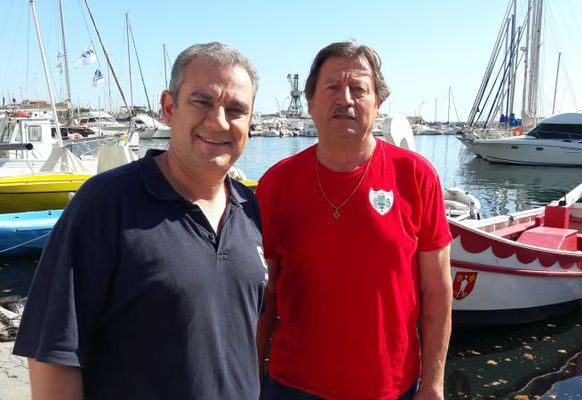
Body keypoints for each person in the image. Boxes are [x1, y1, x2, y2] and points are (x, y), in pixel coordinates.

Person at [13, 42, 266, 399]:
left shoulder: (250, 210)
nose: (219, 121)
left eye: (236, 109)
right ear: (168, 107)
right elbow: (53, 354)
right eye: (202, 102)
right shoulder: (105, 205)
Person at [256, 41, 453, 400]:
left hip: (392, 389)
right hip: (292, 387)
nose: (345, 98)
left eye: (359, 89)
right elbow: (263, 296)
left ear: (378, 104)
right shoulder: (276, 184)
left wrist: (434, 384)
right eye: (331, 87)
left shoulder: (416, 176)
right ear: (311, 103)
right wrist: (251, 380)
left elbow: (437, 291)